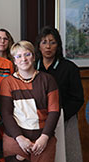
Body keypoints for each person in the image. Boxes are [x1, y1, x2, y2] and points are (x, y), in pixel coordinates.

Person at [0, 41, 60, 162]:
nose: (23, 59)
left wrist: (44, 137)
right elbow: (6, 114)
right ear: (14, 61)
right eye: (19, 56)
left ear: (34, 57)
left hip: (43, 139)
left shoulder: (48, 80)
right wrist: (20, 138)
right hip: (15, 139)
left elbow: (54, 111)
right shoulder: (7, 83)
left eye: (27, 54)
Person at [35, 26, 84, 162]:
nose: (48, 46)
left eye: (52, 42)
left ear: (58, 45)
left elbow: (77, 99)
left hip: (65, 119)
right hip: (37, 120)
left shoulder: (69, 68)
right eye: (44, 42)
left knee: (68, 155)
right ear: (38, 46)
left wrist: (59, 116)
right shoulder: (32, 66)